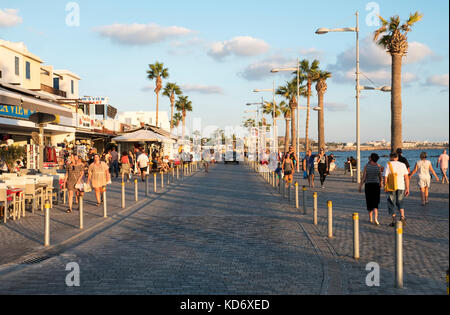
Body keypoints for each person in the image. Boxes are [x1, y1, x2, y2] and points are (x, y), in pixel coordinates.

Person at [383, 152, 410, 227]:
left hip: (391, 187)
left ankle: (394, 221)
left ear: (390, 157)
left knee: (391, 202)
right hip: (401, 186)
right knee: (400, 201)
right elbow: (406, 178)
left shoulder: (388, 164)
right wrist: (407, 188)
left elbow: (385, 177)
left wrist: (385, 186)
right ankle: (402, 217)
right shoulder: (403, 165)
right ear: (397, 157)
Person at [359, 153, 382, 225]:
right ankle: (376, 218)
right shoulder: (378, 166)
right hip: (376, 185)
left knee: (369, 202)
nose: (369, 157)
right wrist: (381, 183)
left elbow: (364, 177)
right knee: (375, 202)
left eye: (370, 157)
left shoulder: (367, 166)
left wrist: (360, 186)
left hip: (368, 185)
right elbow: (380, 176)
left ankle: (371, 218)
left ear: (371, 158)